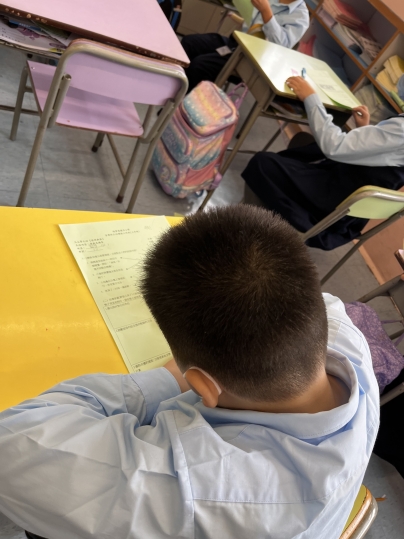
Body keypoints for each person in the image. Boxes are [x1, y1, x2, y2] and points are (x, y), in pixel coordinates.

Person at [0, 206, 379, 539]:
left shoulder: (194, 484)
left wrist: (168, 377)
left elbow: (12, 442)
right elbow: (327, 304)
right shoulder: (351, 347)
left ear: (203, 386)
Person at [242, 76, 404, 250]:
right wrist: (365, 131)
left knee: (262, 163)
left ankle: (248, 231)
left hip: (329, 205)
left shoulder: (401, 128)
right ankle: (267, 217)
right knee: (304, 147)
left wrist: (310, 98)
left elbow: (333, 146)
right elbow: (387, 159)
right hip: (348, 212)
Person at [182, 0, 309, 92]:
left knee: (200, 66)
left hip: (253, 61)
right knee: (189, 43)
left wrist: (266, 11)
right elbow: (254, 24)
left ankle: (183, 108)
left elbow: (281, 45)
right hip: (236, 43)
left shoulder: (301, 17)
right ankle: (175, 90)